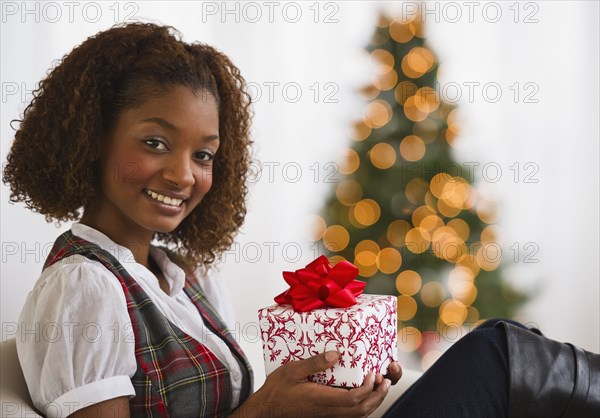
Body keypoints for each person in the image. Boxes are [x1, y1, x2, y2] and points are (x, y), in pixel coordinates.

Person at [3, 22, 598, 418]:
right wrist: (268, 410)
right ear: (92, 139)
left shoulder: (183, 278)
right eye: (156, 142)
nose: (184, 174)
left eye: (204, 154)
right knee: (498, 353)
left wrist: (337, 384)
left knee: (514, 368)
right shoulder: (84, 287)